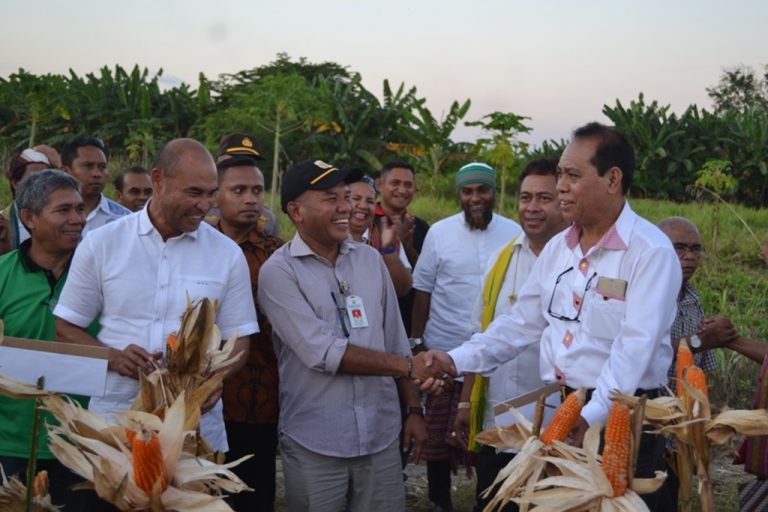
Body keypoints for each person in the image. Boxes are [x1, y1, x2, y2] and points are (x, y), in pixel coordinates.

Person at [419, 122, 682, 512]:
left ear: (612, 179)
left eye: (572, 176)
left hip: (622, 417)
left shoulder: (649, 252)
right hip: (565, 409)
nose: (561, 185)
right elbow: (520, 322)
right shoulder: (560, 248)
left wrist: (590, 414)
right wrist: (455, 359)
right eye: (561, 173)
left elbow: (634, 349)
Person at [53, 139, 256, 457]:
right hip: (114, 428)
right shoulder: (102, 244)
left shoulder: (227, 254)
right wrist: (114, 357)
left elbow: (239, 339)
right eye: (194, 193)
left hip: (196, 432)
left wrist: (212, 378)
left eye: (210, 193)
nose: (205, 206)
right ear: (158, 180)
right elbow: (65, 328)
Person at [257, 159, 432, 512]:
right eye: (329, 198)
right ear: (296, 210)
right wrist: (408, 367)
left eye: (344, 196)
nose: (345, 207)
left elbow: (396, 341)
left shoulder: (370, 260)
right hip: (316, 443)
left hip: (380, 438)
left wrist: (413, 409)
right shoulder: (278, 273)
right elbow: (324, 353)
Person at [455, 159, 568, 512]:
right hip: (499, 427)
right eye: (525, 197)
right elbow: (482, 335)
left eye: (544, 198)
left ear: (565, 201)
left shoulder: (580, 265)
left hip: (561, 429)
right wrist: (464, 402)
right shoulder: (502, 260)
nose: (532, 208)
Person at [411, 162, 521, 512]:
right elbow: (423, 290)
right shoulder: (439, 233)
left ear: (493, 193)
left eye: (482, 190)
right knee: (438, 439)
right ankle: (440, 500)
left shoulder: (515, 233)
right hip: (445, 349)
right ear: (459, 194)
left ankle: (485, 500)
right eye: (468, 191)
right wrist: (418, 342)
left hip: (496, 353)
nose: (475, 197)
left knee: (487, 434)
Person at [0, 169, 98, 509]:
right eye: (63, 211)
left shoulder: (102, 274)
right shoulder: (2, 274)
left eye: (80, 209)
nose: (77, 220)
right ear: (29, 218)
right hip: (13, 446)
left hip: (89, 444)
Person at [214, 155, 283, 512]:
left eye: (257, 190)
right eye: (238, 190)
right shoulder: (197, 248)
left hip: (261, 397)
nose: (250, 199)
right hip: (204, 398)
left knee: (255, 496)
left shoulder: (277, 254)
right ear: (215, 196)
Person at [375, 160, 430, 335]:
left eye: (408, 185)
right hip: (374, 316)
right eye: (395, 183)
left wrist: (408, 250)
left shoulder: (421, 227)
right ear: (380, 185)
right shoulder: (365, 222)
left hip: (408, 320)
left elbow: (426, 276)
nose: (402, 190)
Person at [348, 175, 412, 297]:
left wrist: (388, 251)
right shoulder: (329, 237)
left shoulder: (385, 235)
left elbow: (402, 289)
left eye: (370, 201)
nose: (363, 206)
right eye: (356, 199)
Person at [61, 136, 130, 237]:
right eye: (88, 166)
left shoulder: (124, 219)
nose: (97, 174)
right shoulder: (45, 215)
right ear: (65, 171)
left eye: (102, 167)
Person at [213, 133, 280, 237]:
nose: (243, 165)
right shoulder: (200, 213)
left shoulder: (267, 219)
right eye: (234, 159)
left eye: (251, 160)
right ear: (219, 161)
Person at [1, 148, 53, 253]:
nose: (42, 184)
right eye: (35, 178)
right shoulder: (3, 223)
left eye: (47, 177)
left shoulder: (59, 219)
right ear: (15, 183)